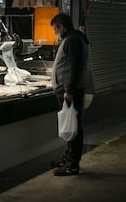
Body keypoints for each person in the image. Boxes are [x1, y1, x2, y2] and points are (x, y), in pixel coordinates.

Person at [50, 13, 89, 176]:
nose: (55, 32)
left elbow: (75, 67)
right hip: (67, 90)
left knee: (73, 127)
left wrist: (69, 90)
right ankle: (69, 158)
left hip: (70, 92)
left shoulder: (72, 40)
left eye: (55, 28)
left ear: (62, 26)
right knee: (70, 126)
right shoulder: (72, 38)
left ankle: (72, 164)